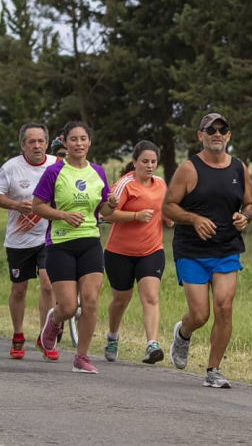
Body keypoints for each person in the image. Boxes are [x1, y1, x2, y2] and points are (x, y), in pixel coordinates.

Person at [164, 113, 252, 389]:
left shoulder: (239, 168)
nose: (217, 133)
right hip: (192, 250)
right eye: (211, 129)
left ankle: (213, 370)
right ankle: (183, 332)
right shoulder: (189, 169)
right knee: (201, 314)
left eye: (222, 129)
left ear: (228, 135)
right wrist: (193, 219)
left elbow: (250, 204)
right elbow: (168, 207)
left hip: (227, 248)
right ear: (200, 135)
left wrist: (245, 217)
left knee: (224, 308)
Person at [33, 120, 118, 373]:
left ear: (89, 142)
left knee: (90, 301)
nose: (79, 144)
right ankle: (53, 321)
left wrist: (111, 205)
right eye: (73, 139)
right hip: (60, 244)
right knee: (69, 307)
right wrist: (62, 215)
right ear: (65, 143)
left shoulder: (98, 172)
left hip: (90, 241)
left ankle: (82, 357)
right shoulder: (55, 172)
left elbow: (102, 210)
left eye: (83, 139)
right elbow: (38, 206)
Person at [102, 141, 173, 364]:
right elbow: (106, 215)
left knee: (151, 297)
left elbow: (166, 208)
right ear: (134, 162)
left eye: (153, 162)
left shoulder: (161, 184)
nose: (149, 166)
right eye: (145, 161)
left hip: (151, 250)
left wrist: (170, 217)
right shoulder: (125, 184)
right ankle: (113, 336)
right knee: (120, 300)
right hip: (119, 252)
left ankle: (152, 344)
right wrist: (135, 216)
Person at [0, 123, 58, 360]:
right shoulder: (11, 168)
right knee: (19, 289)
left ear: (46, 142)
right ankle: (18, 334)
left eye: (40, 141)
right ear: (23, 145)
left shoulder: (57, 165)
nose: (36, 146)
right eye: (31, 142)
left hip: (48, 237)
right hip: (19, 240)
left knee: (48, 284)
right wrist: (16, 205)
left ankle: (46, 337)